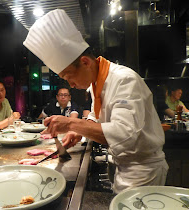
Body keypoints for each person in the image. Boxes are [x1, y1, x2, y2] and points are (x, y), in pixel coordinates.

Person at [23, 9, 168, 193]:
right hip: (121, 166)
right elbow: (96, 116)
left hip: (143, 170)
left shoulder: (124, 80)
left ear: (85, 62)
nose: (71, 84)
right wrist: (79, 130)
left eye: (69, 76)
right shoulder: (96, 83)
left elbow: (125, 134)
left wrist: (71, 124)